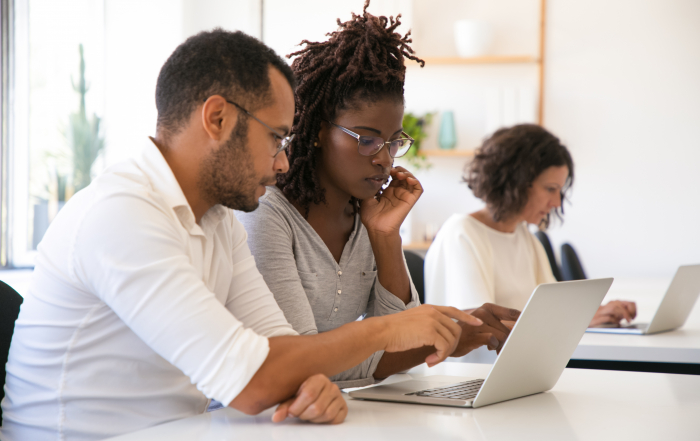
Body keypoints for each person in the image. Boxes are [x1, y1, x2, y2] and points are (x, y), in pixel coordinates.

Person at [0, 30, 483, 441]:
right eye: (275, 137)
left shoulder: (218, 222)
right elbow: (253, 381)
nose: (283, 162)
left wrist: (308, 386)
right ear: (217, 119)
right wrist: (386, 329)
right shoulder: (122, 214)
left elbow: (284, 351)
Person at [237, 2, 520, 389]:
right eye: (367, 140)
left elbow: (405, 339)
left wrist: (385, 237)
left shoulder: (366, 217)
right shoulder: (266, 214)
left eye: (393, 142)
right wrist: (444, 340)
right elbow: (299, 361)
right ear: (319, 131)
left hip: (327, 415)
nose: (384, 159)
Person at [425, 124, 636, 327]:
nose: (557, 203)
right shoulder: (462, 233)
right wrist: (579, 321)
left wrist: (601, 312)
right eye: (550, 189)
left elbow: (556, 309)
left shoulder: (523, 235)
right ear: (516, 183)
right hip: (480, 364)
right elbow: (480, 327)